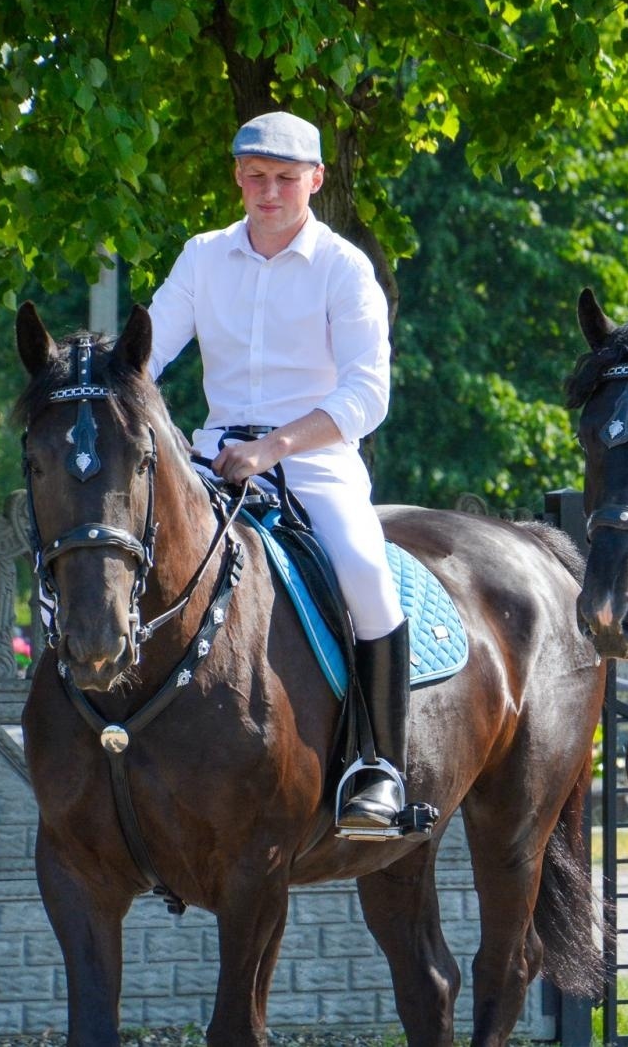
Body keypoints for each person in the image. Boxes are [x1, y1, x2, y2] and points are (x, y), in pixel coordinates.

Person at [146, 110, 414, 838]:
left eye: (286, 179)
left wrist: (273, 449)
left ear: (316, 180)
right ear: (238, 177)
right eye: (257, 177)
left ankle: (379, 768)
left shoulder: (344, 268)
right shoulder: (202, 257)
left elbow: (367, 396)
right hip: (212, 459)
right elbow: (148, 351)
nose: (270, 192)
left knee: (365, 573)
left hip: (315, 463)